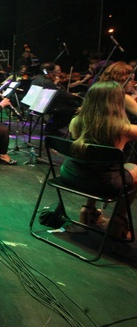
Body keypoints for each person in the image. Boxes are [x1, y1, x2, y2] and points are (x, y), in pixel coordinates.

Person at [61, 81, 136, 240]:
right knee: (133, 168)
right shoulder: (123, 129)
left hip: (70, 175)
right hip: (102, 183)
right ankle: (118, 223)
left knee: (95, 167)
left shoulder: (75, 122)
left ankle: (87, 211)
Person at [31, 62, 79, 136]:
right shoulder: (46, 82)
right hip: (42, 106)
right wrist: (71, 96)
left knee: (62, 107)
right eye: (54, 72)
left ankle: (51, 126)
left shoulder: (37, 79)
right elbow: (60, 94)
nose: (55, 74)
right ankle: (51, 128)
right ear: (48, 72)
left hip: (35, 104)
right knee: (70, 110)